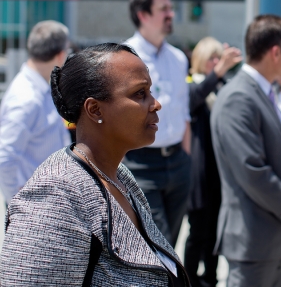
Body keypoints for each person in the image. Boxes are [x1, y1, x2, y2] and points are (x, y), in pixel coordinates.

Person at [0, 43, 189, 286]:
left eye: (150, 91)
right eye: (140, 93)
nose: (156, 103)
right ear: (94, 108)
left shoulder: (119, 175)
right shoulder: (55, 197)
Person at [211, 14, 281, 287]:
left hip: (272, 236)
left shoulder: (264, 93)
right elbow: (252, 170)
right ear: (276, 52)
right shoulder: (239, 97)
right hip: (253, 239)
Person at [123, 0, 191, 247]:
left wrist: (186, 158)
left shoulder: (177, 58)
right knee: (156, 243)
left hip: (177, 163)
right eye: (163, 9)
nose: (171, 14)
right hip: (141, 163)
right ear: (143, 15)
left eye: (170, 8)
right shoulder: (124, 57)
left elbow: (183, 113)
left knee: (170, 243)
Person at [184, 37, 242, 287]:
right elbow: (194, 98)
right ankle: (187, 278)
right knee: (198, 232)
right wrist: (218, 73)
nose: (217, 63)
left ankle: (209, 278)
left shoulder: (223, 87)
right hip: (200, 171)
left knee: (216, 233)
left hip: (221, 172)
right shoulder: (191, 85)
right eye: (212, 59)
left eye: (220, 59)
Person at [0, 20, 71, 204]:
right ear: (60, 56)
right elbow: (5, 157)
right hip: (34, 204)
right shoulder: (27, 99)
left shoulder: (39, 88)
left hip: (46, 198)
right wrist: (17, 201)